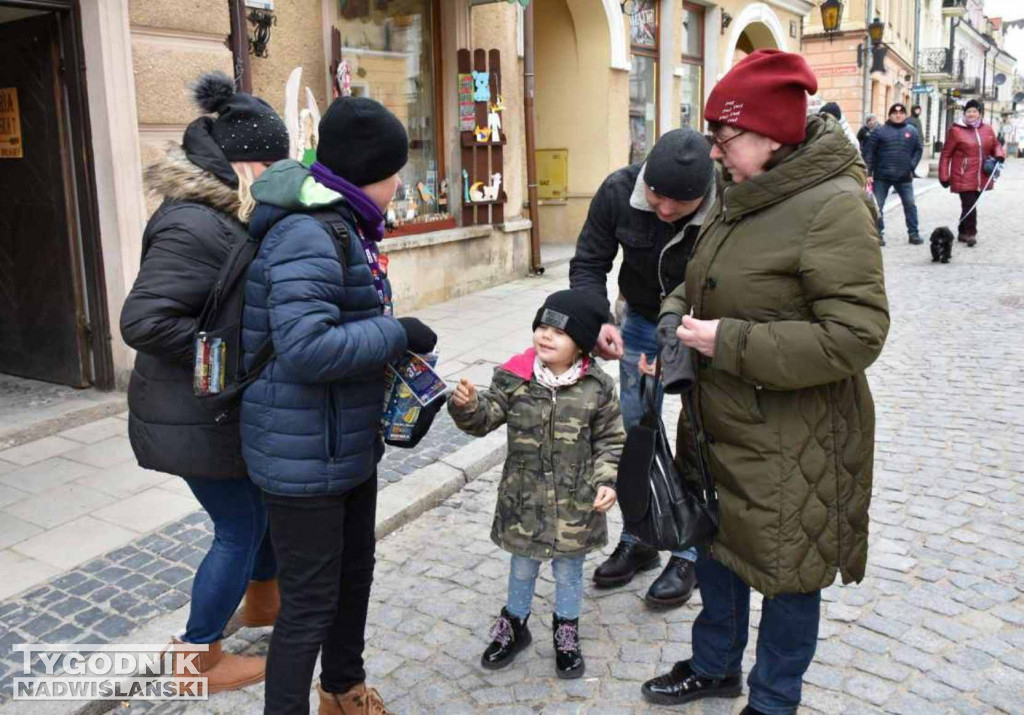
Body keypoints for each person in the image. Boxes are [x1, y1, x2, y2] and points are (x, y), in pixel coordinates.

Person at [642, 49, 889, 715]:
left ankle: (774, 699)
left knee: (788, 572)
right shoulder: (742, 192)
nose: (716, 155)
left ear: (769, 135)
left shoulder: (834, 206)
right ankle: (716, 665)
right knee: (717, 546)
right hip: (721, 424)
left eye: (724, 140)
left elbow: (857, 335)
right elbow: (700, 280)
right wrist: (672, 324)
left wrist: (728, 340)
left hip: (793, 437)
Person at [239, 96, 437, 714]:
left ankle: (343, 695)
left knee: (352, 581)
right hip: (303, 458)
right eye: (393, 171)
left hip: (343, 442)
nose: (400, 182)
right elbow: (305, 348)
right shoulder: (307, 231)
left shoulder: (342, 222)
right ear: (365, 173)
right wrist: (396, 333)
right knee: (307, 607)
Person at [120, 71, 287, 694]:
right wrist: (233, 357)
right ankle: (197, 658)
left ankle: (265, 603)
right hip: (191, 408)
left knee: (260, 506)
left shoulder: (224, 210)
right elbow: (142, 320)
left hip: (210, 404)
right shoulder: (193, 222)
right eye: (271, 163)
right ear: (243, 162)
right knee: (239, 524)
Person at [568, 129, 715, 607]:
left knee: (700, 434)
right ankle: (643, 533)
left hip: (701, 328)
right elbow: (589, 262)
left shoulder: (726, 201)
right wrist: (596, 321)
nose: (666, 210)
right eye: (657, 195)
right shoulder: (617, 190)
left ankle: (689, 548)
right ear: (644, 176)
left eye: (680, 203)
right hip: (638, 322)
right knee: (636, 435)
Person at [448, 290, 624, 679]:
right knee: (523, 565)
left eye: (557, 332)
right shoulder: (515, 379)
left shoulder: (597, 387)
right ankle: (514, 624)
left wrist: (607, 480)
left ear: (579, 343)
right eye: (541, 327)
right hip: (524, 500)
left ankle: (566, 631)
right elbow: (485, 417)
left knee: (569, 571)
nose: (545, 336)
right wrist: (467, 406)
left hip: (576, 504)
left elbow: (610, 440)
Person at [938, 99, 1005, 247]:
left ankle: (962, 231)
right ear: (964, 113)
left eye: (975, 111)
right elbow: (946, 154)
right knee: (970, 206)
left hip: (982, 175)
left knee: (969, 206)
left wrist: (999, 154)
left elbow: (995, 144)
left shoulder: (987, 129)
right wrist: (943, 175)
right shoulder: (956, 131)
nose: (971, 114)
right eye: (969, 111)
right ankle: (971, 234)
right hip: (963, 174)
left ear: (979, 114)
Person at [864, 103, 924, 245]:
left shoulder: (912, 131)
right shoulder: (879, 131)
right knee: (877, 206)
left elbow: (918, 149)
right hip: (881, 177)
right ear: (890, 115)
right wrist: (869, 173)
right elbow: (869, 153)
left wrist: (912, 166)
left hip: (904, 176)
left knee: (910, 205)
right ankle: (878, 233)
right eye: (895, 113)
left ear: (904, 115)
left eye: (901, 113)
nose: (898, 115)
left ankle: (913, 233)